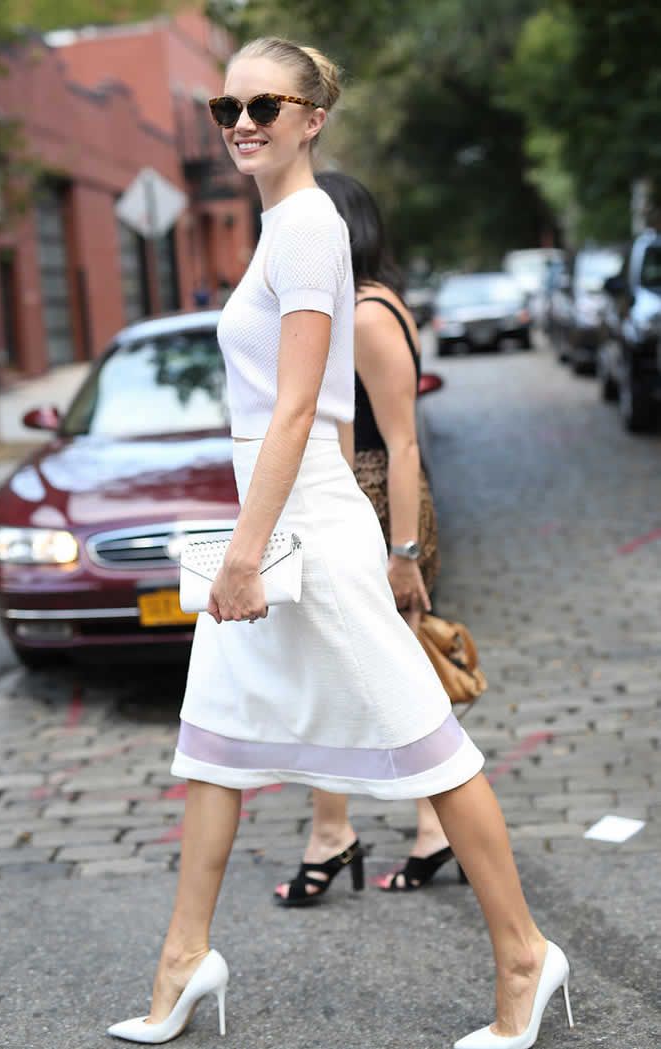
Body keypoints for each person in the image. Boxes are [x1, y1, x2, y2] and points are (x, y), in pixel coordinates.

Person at [107, 37, 572, 1049]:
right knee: (211, 743)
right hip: (273, 519)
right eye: (227, 106)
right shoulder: (278, 227)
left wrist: (246, 550)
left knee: (428, 743)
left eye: (264, 106)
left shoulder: (311, 225)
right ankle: (182, 960)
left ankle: (525, 955)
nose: (241, 123)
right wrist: (248, 536)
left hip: (305, 528)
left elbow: (295, 411)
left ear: (312, 119)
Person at [273, 170, 459, 904]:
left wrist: (403, 553)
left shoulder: (372, 314)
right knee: (353, 673)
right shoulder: (349, 308)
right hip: (358, 501)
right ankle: (365, 829)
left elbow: (404, 442)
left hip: (383, 507)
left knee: (380, 675)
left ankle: (362, 831)